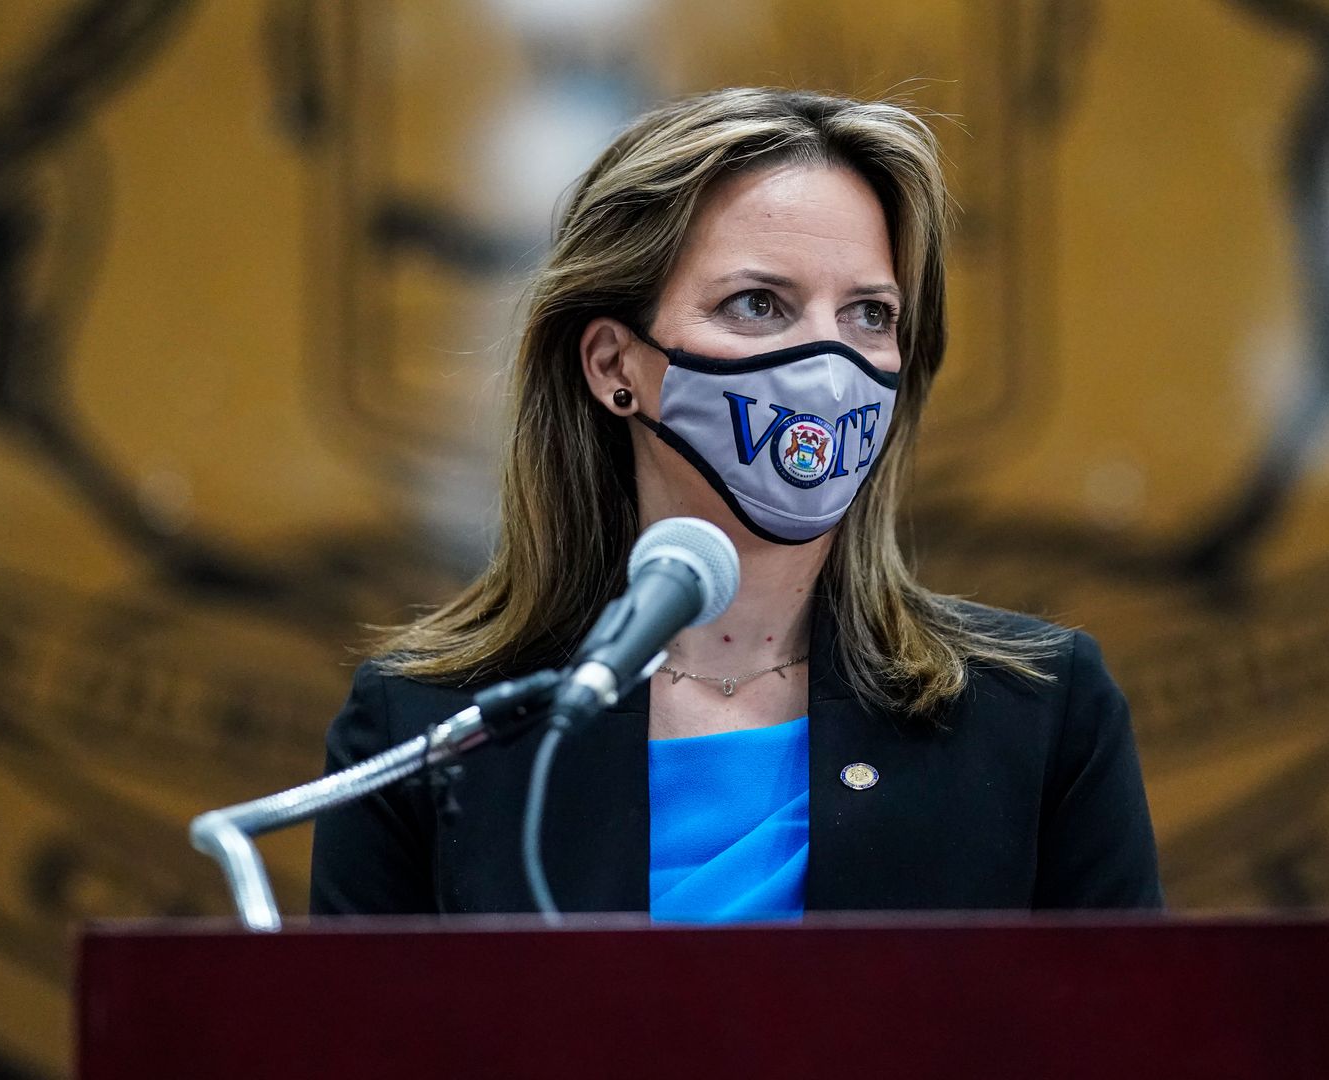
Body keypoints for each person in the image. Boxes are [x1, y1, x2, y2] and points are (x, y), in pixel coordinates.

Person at [308, 87, 1162, 919]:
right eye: (759, 305)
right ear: (614, 365)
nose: (828, 367)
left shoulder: (1042, 711)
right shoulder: (425, 730)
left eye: (870, 314)